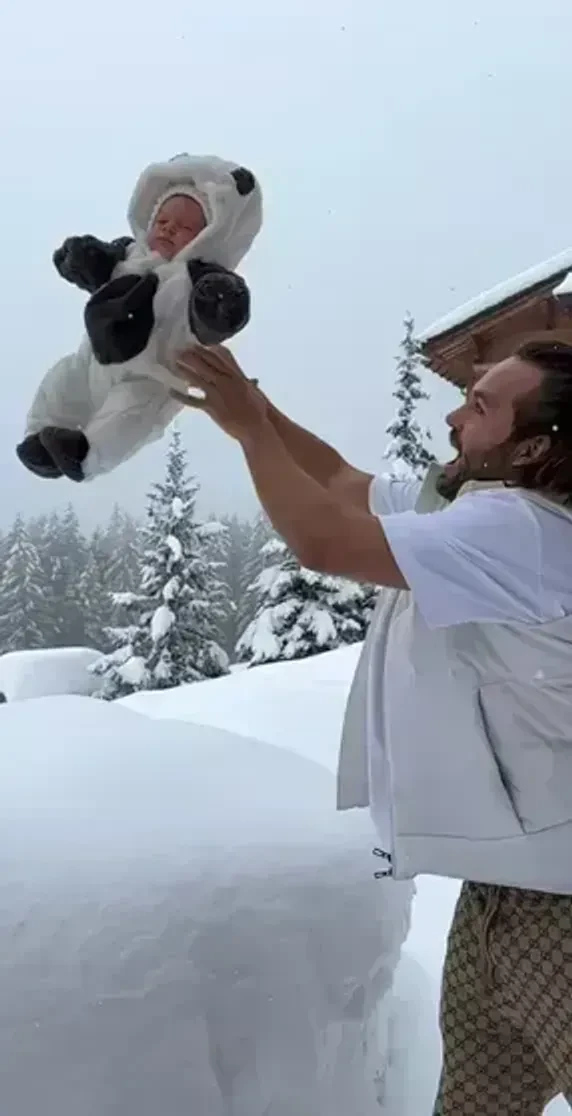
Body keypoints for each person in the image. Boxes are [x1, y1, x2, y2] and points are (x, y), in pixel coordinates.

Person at [172, 336, 572, 1114]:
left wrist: (251, 430)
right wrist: (252, 407)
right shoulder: (474, 506)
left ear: (530, 448)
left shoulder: (523, 532)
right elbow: (339, 482)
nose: (455, 417)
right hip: (502, 896)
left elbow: (325, 539)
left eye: (481, 405)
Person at [17, 154, 262, 482]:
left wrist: (218, 305)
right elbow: (99, 268)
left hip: (151, 374)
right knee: (61, 381)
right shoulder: (128, 256)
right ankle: (41, 437)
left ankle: (85, 455)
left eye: (185, 226)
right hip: (91, 362)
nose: (169, 228)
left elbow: (214, 320)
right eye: (162, 220)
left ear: (209, 236)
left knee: (131, 413)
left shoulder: (195, 278)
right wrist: (83, 260)